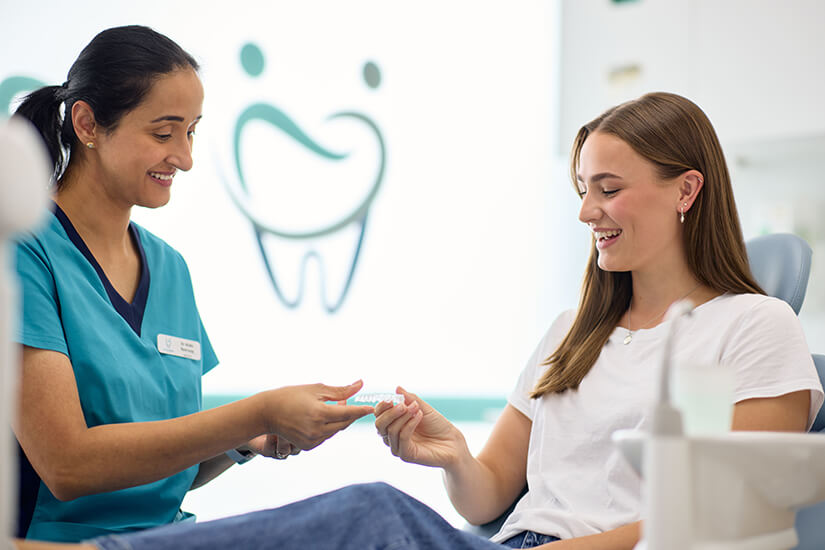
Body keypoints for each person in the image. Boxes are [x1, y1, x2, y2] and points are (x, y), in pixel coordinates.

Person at [9, 92, 822, 550]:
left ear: (685, 190)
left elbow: (721, 522)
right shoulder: (573, 332)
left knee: (371, 515)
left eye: (608, 188)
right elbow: (489, 499)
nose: (586, 211)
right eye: (581, 188)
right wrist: (451, 454)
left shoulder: (747, 329)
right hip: (514, 544)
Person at [11, 25, 373, 543]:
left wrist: (243, 440)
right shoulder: (24, 251)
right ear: (88, 123)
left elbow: (163, 469)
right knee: (365, 515)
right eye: (163, 133)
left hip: (164, 537)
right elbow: (68, 466)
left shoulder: (170, 269)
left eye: (192, 131)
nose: (184, 157)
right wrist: (258, 409)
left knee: (366, 515)